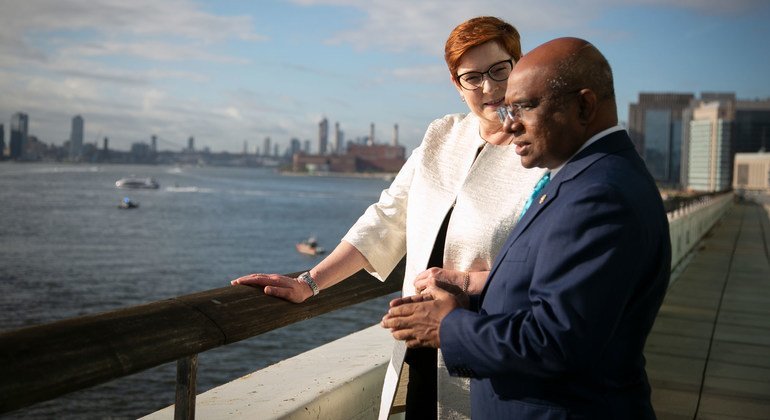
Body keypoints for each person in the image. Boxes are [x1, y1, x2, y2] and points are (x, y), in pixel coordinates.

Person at [231, 16, 544, 419]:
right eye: (472, 77)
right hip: (418, 342)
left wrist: (469, 285)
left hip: (489, 342)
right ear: (456, 84)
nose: (489, 87)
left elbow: (543, 262)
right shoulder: (442, 136)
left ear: (519, 65)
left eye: (500, 69)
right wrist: (309, 282)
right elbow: (386, 218)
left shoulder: (541, 153)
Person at [382, 37, 671, 419]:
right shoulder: (581, 179)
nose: (511, 123)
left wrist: (446, 325)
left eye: (526, 107)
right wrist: (468, 295)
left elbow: (556, 341)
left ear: (584, 105)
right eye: (509, 108)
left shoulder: (599, 195)